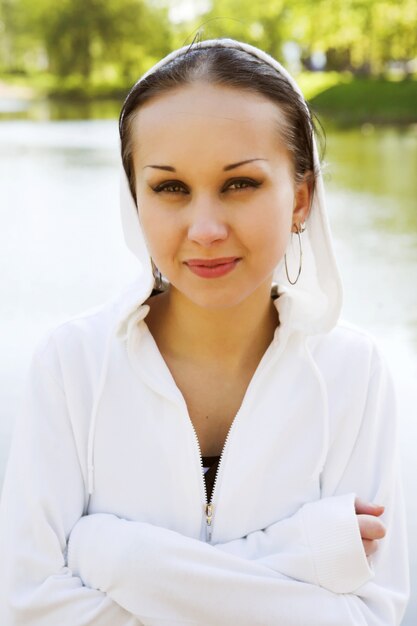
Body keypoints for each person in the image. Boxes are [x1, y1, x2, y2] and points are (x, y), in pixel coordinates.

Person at [0, 37, 409, 625]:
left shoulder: (354, 372)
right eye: (170, 188)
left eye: (239, 184)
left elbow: (368, 616)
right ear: (135, 198)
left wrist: (120, 556)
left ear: (301, 197)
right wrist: (300, 552)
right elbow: (30, 610)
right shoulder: (71, 368)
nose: (206, 227)